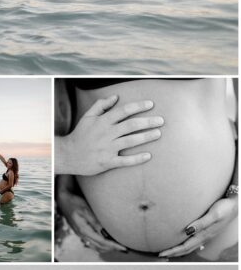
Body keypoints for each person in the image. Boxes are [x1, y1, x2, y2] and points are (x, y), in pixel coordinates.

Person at [55, 78, 238, 260]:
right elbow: (62, 100)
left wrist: (238, 194)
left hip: (220, 229)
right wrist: (63, 186)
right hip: (97, 237)